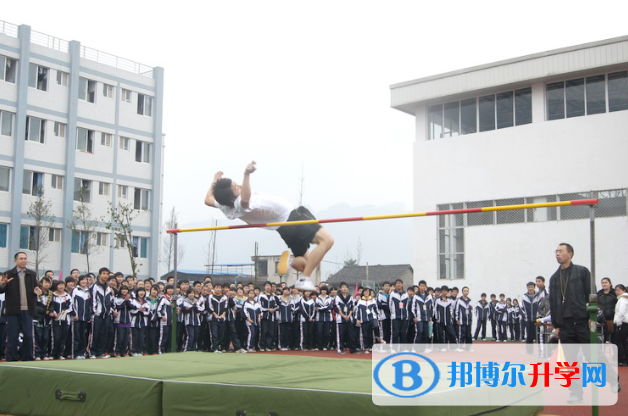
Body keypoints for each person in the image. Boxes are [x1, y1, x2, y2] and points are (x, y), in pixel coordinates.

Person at [205, 161, 334, 291]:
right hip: (293, 217)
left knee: (306, 265)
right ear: (233, 199)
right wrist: (246, 175)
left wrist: (215, 182)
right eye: (236, 188)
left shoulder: (225, 205)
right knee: (327, 241)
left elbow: (208, 200)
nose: (239, 186)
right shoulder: (241, 203)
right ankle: (304, 280)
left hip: (283, 228)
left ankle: (289, 262)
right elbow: (244, 199)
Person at [548, 243, 620, 403]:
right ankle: (576, 393)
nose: (557, 254)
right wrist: (557, 325)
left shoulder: (581, 272)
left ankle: (612, 379)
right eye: (556, 251)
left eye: (561, 251)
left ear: (570, 254)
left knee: (594, 355)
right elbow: (553, 303)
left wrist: (591, 316)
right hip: (566, 325)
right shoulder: (554, 278)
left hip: (583, 322)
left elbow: (592, 294)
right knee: (570, 361)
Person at [0, 252, 43, 361]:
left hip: (28, 310)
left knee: (28, 335)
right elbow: (1, 290)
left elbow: (35, 288)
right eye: (21, 259)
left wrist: (37, 291)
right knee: (13, 336)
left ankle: (27, 358)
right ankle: (11, 359)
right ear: (15, 261)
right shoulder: (9, 274)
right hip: (13, 310)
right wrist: (3, 284)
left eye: (25, 258)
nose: (24, 260)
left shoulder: (31, 274)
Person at [598, 277, 617, 343]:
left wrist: (613, 312)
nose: (604, 284)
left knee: (613, 338)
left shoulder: (614, 294)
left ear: (610, 284)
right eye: (602, 283)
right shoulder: (599, 293)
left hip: (612, 318)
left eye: (606, 283)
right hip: (601, 319)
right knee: (602, 338)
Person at [613, 284, 628, 367]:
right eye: (616, 290)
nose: (617, 292)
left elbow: (621, 312)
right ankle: (624, 359)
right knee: (623, 341)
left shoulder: (622, 300)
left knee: (619, 341)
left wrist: (618, 323)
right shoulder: (623, 299)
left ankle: (622, 359)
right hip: (624, 322)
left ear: (624, 290)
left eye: (619, 290)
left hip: (622, 323)